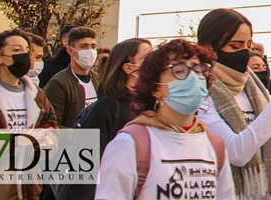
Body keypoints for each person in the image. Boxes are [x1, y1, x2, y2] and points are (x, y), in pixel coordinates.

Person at [195, 8, 271, 200]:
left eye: (248, 45)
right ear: (210, 49)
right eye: (235, 46)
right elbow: (236, 153)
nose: (243, 53)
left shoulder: (253, 87)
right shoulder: (200, 92)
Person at [95, 39, 234, 199]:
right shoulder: (129, 144)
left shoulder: (214, 146)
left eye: (198, 69)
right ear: (155, 88)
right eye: (179, 70)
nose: (192, 78)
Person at [0, 28, 59, 199]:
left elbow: (51, 130)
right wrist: (15, 140)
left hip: (30, 189)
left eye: (26, 50)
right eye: (16, 50)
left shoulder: (36, 95)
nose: (24, 55)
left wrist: (45, 141)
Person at [57, 37, 151, 200]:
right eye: (147, 59)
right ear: (128, 68)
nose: (154, 63)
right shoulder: (109, 105)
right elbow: (85, 165)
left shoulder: (149, 104)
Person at [44, 26, 99, 127]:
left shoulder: (98, 80)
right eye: (84, 46)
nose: (90, 51)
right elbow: (53, 125)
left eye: (93, 46)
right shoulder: (59, 83)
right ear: (70, 51)